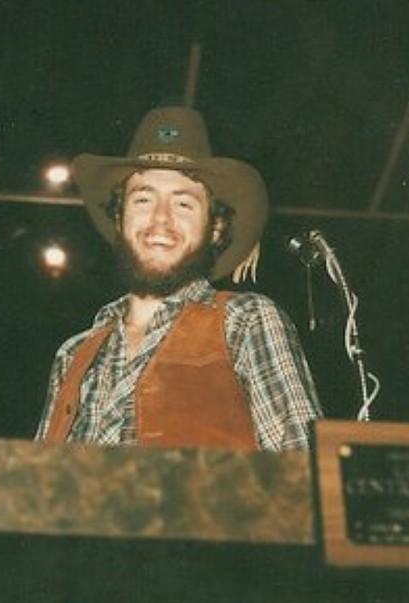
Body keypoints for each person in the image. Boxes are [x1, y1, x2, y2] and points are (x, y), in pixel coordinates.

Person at [35, 106, 322, 451]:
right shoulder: (74, 354)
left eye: (183, 204)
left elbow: (305, 471)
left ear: (215, 229)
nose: (160, 219)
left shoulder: (246, 321)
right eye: (143, 199)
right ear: (119, 218)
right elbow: (41, 489)